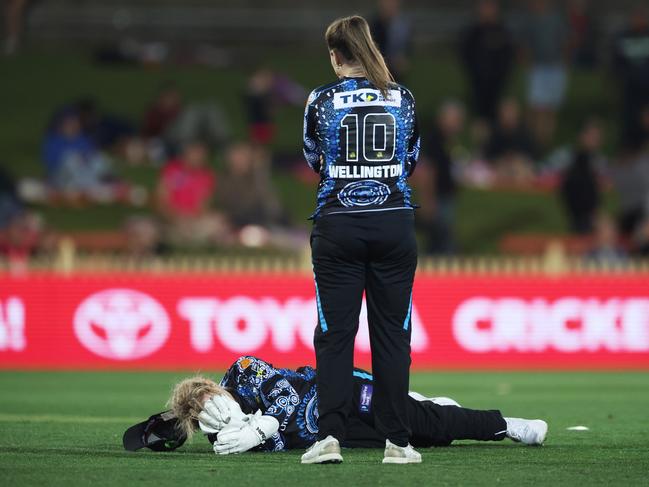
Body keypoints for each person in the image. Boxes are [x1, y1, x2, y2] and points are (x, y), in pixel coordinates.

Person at [302, 15, 421, 464]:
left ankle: (329, 436)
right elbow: (410, 159)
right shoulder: (402, 98)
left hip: (337, 226)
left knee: (335, 335)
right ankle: (398, 443)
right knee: (392, 334)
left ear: (335, 56)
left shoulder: (321, 98)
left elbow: (314, 156)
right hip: (393, 224)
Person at [124, 356, 549, 455]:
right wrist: (188, 420)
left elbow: (282, 396)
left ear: (212, 386)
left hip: (340, 392)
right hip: (333, 432)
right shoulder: (220, 433)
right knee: (425, 438)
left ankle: (507, 424)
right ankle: (428, 406)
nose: (210, 408)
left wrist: (260, 425)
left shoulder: (242, 371)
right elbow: (174, 427)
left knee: (424, 420)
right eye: (200, 410)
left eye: (206, 397)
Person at [521, 0, 570, 147]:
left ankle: (545, 142)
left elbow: (566, 41)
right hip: (538, 68)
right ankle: (531, 139)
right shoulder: (530, 21)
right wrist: (527, 64)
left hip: (555, 68)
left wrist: (564, 63)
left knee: (550, 108)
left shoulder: (557, 20)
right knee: (536, 106)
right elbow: (525, 45)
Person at [459, 0, 515, 123]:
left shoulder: (502, 31)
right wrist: (474, 71)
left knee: (497, 113)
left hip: (498, 82)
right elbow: (465, 54)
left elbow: (509, 54)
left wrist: (503, 73)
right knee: (481, 115)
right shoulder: (473, 32)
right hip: (478, 81)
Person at [422, 100, 465, 255]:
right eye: (455, 119)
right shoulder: (435, 140)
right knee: (440, 238)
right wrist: (429, 199)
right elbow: (428, 171)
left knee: (444, 235)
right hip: (438, 197)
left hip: (448, 195)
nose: (458, 124)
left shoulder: (452, 140)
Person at [559, 118, 605, 234]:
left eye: (597, 137)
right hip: (578, 215)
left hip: (591, 215)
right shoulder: (569, 158)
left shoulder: (601, 161)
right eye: (591, 136)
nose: (594, 140)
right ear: (581, 136)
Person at [613, 7, 649, 150]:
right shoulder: (623, 37)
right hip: (630, 89)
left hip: (647, 89)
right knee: (630, 124)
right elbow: (617, 63)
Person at [370, 0, 412, 82]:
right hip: (380, 71)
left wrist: (404, 59)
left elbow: (406, 46)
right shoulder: (375, 26)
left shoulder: (402, 25)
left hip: (397, 73)